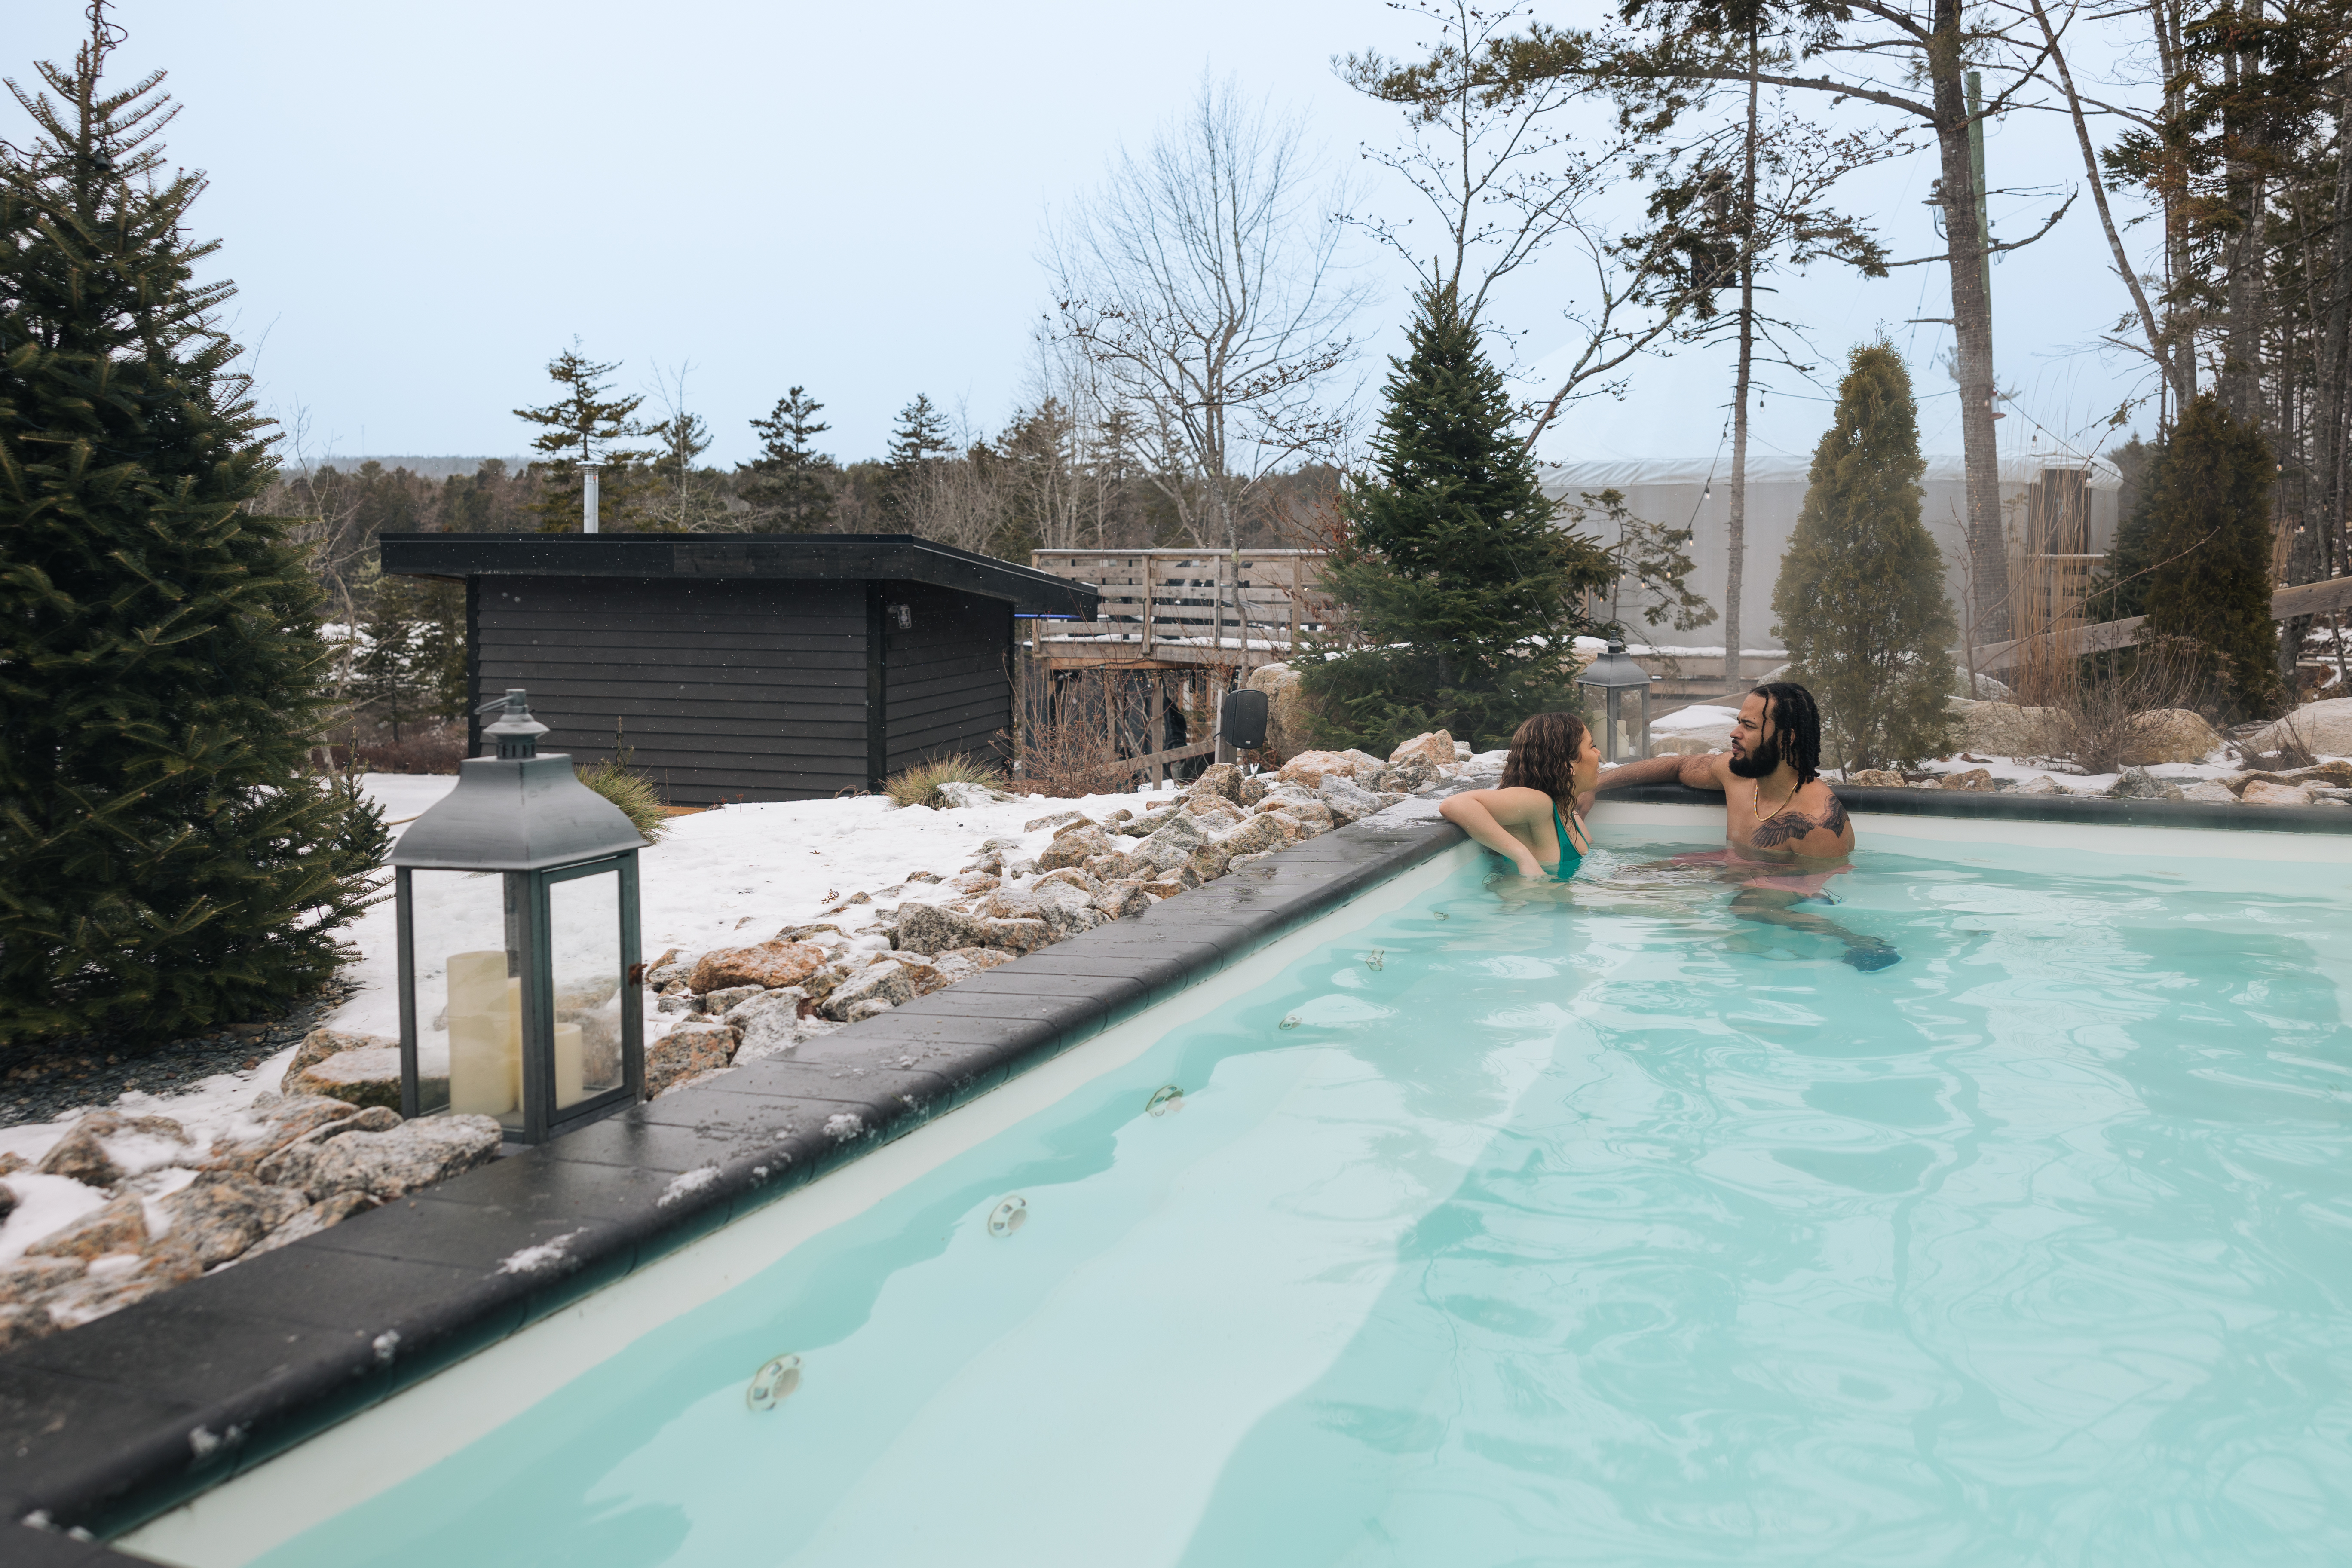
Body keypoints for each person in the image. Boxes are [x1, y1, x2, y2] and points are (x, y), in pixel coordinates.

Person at [1592, 680, 1898, 969]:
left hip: (1777, 891)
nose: (1734, 733)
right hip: (1730, 867)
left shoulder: (1818, 823)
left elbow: (1813, 889)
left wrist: (1712, 889)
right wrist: (1592, 787)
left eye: (1748, 726)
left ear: (1786, 738)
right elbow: (1679, 766)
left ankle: (1855, 942)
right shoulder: (1738, 775)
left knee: (1746, 908)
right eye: (1739, 721)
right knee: (1617, 878)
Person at [1438, 711, 1600, 880]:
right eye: (1591, 746)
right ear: (1569, 764)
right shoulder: (1540, 804)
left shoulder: (1569, 813)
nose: (1598, 753)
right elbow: (1455, 804)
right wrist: (1522, 856)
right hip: (1527, 904)